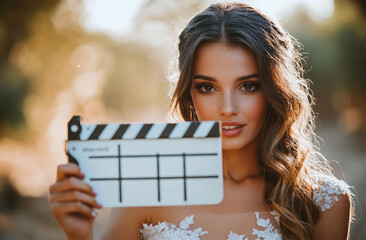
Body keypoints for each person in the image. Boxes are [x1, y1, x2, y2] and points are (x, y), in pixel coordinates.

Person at [49, 2, 354, 240]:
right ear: (189, 94)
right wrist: (80, 235)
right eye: (207, 87)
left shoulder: (325, 202)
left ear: (275, 90)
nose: (228, 108)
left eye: (248, 85)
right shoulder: (147, 191)